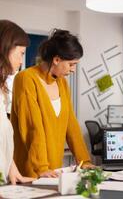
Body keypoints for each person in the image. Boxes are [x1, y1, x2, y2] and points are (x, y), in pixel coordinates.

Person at [11, 29, 92, 178]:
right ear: (56, 60)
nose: (73, 70)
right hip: (31, 170)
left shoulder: (62, 84)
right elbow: (31, 127)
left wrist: (84, 161)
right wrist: (41, 167)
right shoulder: (26, 79)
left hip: (53, 171)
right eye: (71, 64)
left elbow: (71, 125)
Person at [0, 19, 35, 184]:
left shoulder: (3, 92)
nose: (22, 62)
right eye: (21, 53)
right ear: (5, 48)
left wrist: (12, 169)